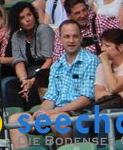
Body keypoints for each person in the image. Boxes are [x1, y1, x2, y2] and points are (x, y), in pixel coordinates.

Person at [9, 20, 99, 149]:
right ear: (60, 39)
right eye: (67, 36)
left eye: (75, 36)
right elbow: (50, 97)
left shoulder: (91, 60)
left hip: (81, 113)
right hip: (56, 113)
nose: (71, 40)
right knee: (15, 120)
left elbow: (86, 99)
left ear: (81, 38)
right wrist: (41, 112)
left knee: (58, 119)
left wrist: (55, 111)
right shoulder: (57, 65)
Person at [7, 3, 54, 108]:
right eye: (22, 18)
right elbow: (19, 61)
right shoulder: (16, 36)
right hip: (29, 74)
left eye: (29, 15)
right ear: (17, 22)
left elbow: (50, 60)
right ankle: (19, 119)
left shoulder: (43, 30)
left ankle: (35, 119)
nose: (27, 20)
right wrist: (24, 80)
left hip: (46, 72)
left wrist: (33, 80)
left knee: (32, 90)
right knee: (11, 86)